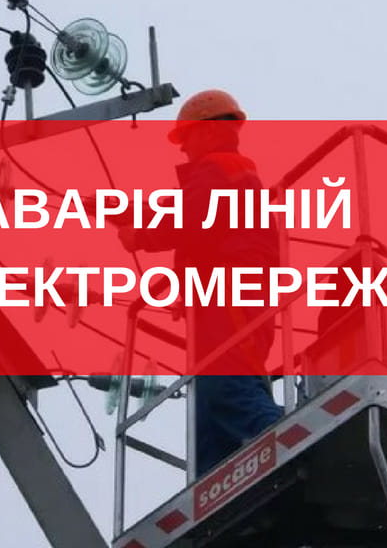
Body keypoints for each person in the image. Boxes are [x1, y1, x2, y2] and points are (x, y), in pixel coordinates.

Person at [117, 89, 284, 476]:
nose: (183, 148)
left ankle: (285, 435)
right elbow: (198, 224)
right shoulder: (229, 174)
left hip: (231, 292)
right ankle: (211, 481)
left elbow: (192, 221)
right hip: (227, 293)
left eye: (186, 137)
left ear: (207, 131)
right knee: (208, 395)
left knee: (225, 380)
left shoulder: (217, 169)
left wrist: (140, 235)